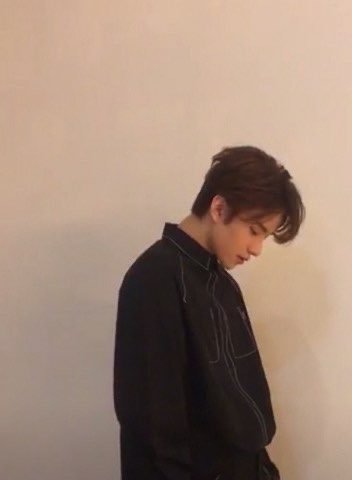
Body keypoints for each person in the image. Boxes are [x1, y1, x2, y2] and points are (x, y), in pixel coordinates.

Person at [114, 146, 305, 479]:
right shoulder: (154, 279)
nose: (257, 249)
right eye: (255, 231)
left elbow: (244, 411)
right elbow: (153, 433)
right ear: (219, 208)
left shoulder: (224, 285)